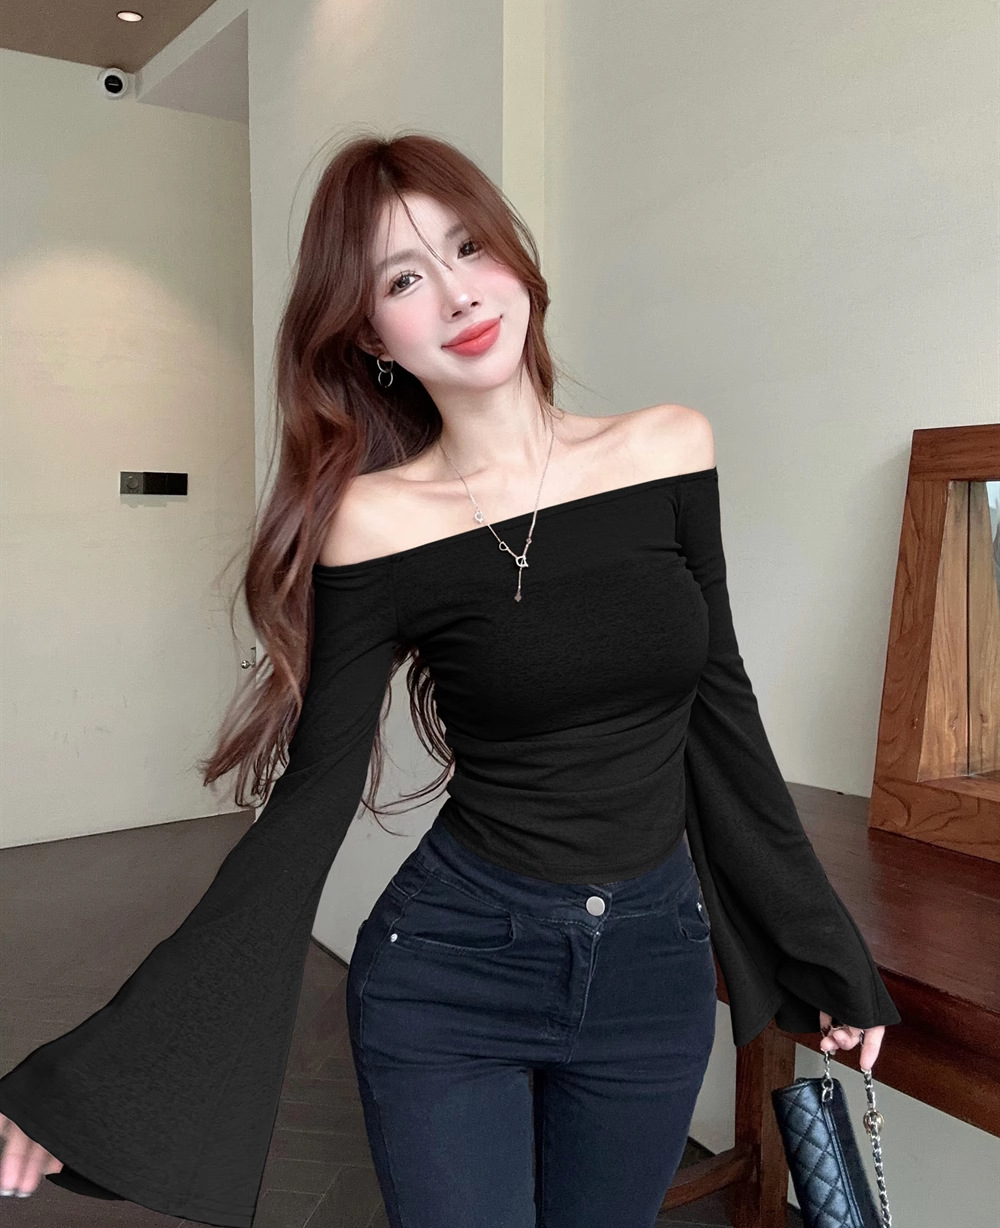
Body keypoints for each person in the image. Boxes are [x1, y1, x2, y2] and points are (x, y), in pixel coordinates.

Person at [0, 131, 900, 1228]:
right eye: (403, 278)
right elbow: (313, 800)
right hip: (453, 971)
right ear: (369, 334)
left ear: (515, 259)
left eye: (469, 247)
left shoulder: (667, 449)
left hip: (653, 969)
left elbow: (721, 713)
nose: (458, 293)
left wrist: (820, 945)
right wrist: (96, 1082)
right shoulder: (374, 525)